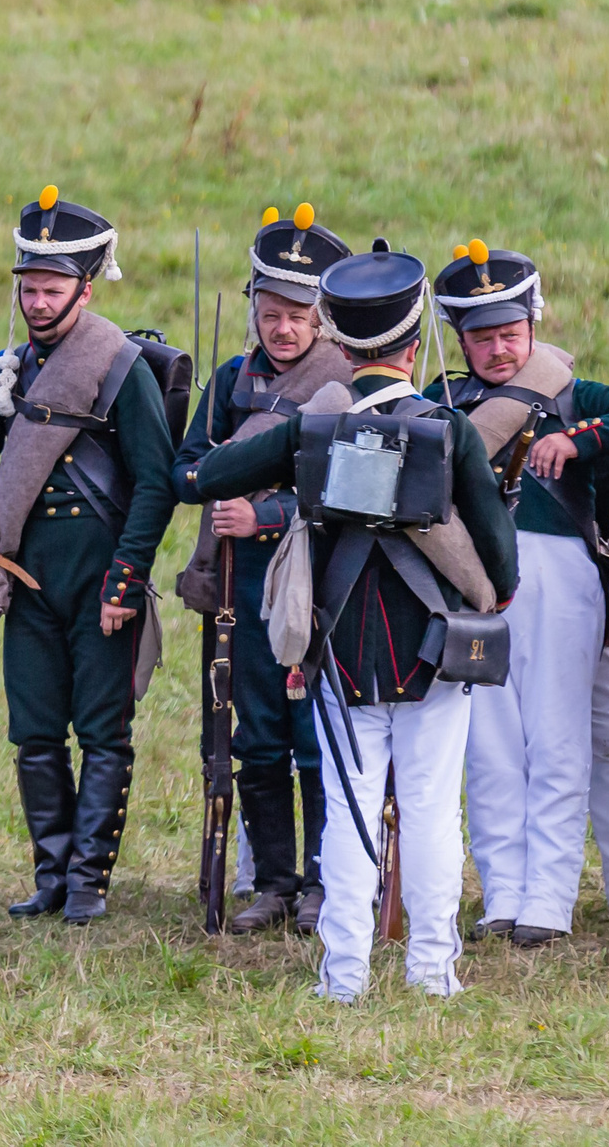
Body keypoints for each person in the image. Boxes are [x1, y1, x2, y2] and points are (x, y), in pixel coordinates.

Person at [193, 243, 517, 1000]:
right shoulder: (448, 427)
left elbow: (209, 476)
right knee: (434, 810)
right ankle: (433, 970)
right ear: (413, 344)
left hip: (339, 647)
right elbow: (500, 566)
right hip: (432, 648)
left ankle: (344, 974)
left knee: (348, 811)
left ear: (337, 340)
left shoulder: (315, 428)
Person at [425, 241, 609, 946]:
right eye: (482, 337)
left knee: (561, 741)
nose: (499, 350)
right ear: (458, 338)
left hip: (561, 582)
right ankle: (503, 892)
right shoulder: (445, 407)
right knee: (492, 747)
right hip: (474, 582)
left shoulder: (571, 396)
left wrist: (584, 438)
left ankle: (550, 900)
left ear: (532, 324)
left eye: (510, 333)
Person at [0, 189, 177, 926]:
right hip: (27, 583)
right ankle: (50, 874)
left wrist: (127, 578)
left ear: (85, 289)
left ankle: (89, 880)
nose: (38, 302)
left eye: (52, 289)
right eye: (29, 288)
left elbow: (156, 481)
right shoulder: (4, 372)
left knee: (104, 732)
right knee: (35, 732)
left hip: (99, 585)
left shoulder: (120, 370)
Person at [173, 203, 352, 933]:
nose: (283, 327)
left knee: (313, 734)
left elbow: (347, 487)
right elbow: (186, 472)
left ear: (322, 318)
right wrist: (223, 481)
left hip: (311, 576)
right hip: (239, 584)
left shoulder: (342, 380)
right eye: (271, 311)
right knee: (255, 736)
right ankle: (274, 883)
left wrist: (265, 512)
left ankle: (320, 883)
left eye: (297, 314)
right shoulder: (228, 381)